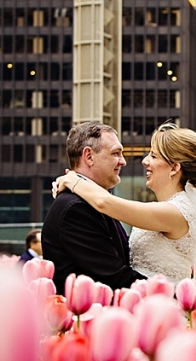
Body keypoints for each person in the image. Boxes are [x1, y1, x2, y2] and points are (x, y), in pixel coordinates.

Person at [53, 122, 196, 308]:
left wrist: (72, 179)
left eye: (153, 155)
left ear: (175, 168)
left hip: (161, 308)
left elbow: (104, 202)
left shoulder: (176, 211)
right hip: (145, 305)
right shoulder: (167, 208)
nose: (145, 161)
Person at [43, 122, 145, 295]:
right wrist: (171, 295)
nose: (123, 161)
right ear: (89, 156)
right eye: (115, 153)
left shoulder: (92, 201)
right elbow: (113, 277)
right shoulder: (76, 209)